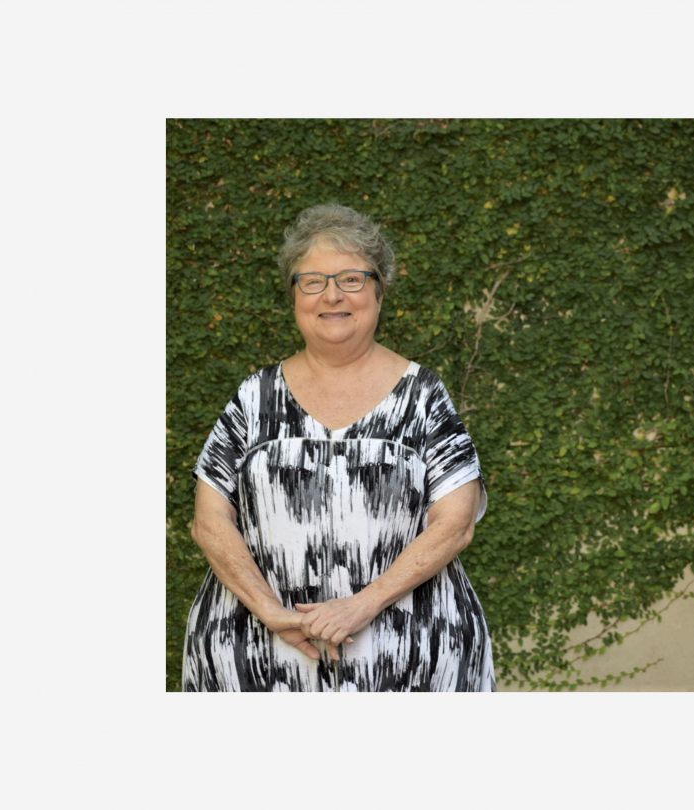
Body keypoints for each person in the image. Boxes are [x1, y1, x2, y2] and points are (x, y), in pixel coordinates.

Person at [181, 203, 495, 691]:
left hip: (411, 665)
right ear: (294, 295)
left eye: (351, 278)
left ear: (379, 289)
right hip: (256, 662)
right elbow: (209, 521)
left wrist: (360, 606)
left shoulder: (424, 396)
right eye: (313, 280)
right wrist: (270, 611)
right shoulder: (254, 397)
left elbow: (455, 525)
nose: (332, 295)